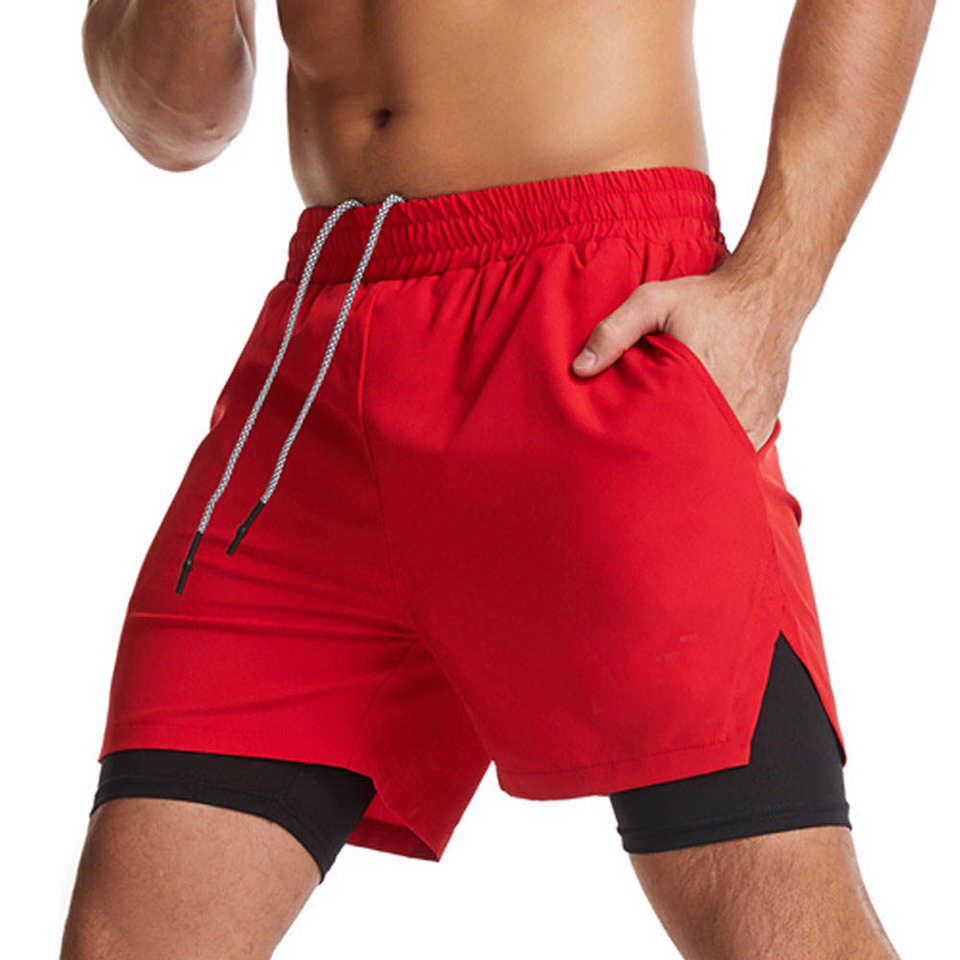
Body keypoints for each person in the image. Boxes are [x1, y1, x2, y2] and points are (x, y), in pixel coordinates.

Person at [62, 2, 935, 958]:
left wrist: (773, 288)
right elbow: (176, 121)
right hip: (324, 353)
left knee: (779, 926)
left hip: (590, 316)